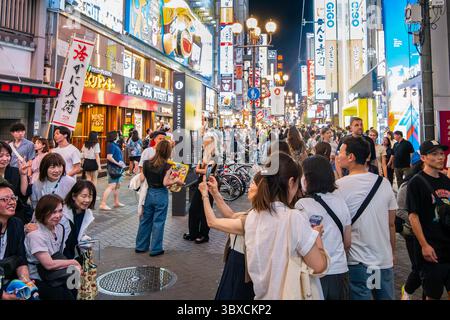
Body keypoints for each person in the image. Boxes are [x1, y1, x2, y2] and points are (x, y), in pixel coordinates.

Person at [200, 153, 329, 299]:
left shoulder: (253, 217)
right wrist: (317, 236)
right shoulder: (294, 218)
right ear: (291, 182)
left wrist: (212, 194)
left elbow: (228, 216)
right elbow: (319, 266)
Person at [336, 137, 397, 300]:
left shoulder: (339, 187)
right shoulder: (384, 184)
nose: (338, 155)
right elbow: (391, 224)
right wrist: (391, 252)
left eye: (341, 151)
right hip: (382, 261)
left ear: (351, 157)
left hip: (357, 263)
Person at [295, 155, 351, 300]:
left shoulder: (302, 205)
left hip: (315, 273)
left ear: (307, 178)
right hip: (340, 270)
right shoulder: (341, 202)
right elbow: (347, 242)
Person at [198, 174, 261, 300]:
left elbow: (212, 222)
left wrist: (205, 195)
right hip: (235, 262)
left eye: (253, 183)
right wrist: (215, 193)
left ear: (263, 189)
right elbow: (231, 215)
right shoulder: (255, 212)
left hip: (240, 268)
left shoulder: (254, 219)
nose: (249, 186)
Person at [407, 140, 450, 300]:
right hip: (430, 251)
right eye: (434, 154)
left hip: (448, 246)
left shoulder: (447, 181)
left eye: (441, 153)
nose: (440, 157)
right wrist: (424, 245)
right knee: (433, 295)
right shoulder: (416, 183)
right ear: (423, 158)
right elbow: (413, 216)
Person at [25, 195, 81, 300]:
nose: (58, 215)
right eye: (53, 212)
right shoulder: (35, 234)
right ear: (42, 212)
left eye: (60, 211)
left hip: (56, 273)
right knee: (65, 296)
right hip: (39, 278)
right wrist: (73, 262)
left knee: (74, 287)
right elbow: (49, 265)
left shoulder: (59, 228)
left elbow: (58, 255)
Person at [135, 140, 183, 256]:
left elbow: (143, 177)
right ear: (168, 152)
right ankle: (156, 249)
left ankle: (141, 246)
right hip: (161, 194)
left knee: (145, 220)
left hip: (149, 193)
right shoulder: (167, 166)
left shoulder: (146, 163)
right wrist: (176, 180)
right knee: (158, 222)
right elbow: (165, 182)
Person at [396, 160, 424, 300]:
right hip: (411, 233)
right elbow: (400, 211)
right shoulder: (406, 187)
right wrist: (417, 221)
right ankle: (407, 291)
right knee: (418, 268)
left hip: (430, 233)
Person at [0, 182, 32, 300]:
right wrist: (4, 296)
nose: (12, 202)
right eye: (5, 199)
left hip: (7, 280)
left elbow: (20, 258)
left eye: (13, 198)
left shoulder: (16, 224)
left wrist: (25, 281)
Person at [183, 135, 217, 244]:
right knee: (193, 209)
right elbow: (198, 170)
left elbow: (206, 171)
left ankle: (204, 235)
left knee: (205, 210)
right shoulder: (204, 155)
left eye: (205, 143)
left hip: (209, 184)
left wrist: (200, 168)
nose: (203, 144)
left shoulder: (215, 156)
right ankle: (193, 233)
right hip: (200, 183)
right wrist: (201, 168)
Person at [62, 181, 96, 260]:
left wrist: (85, 241)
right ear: (74, 196)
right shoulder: (61, 212)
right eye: (84, 196)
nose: (87, 200)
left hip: (74, 255)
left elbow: (80, 234)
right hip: (59, 256)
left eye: (90, 196)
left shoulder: (87, 214)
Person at [0, 141, 31, 223]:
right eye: (1, 156)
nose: (5, 159)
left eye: (7, 155)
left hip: (15, 213)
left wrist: (23, 175)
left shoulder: (15, 171)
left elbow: (24, 193)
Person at [99, 131, 126, 211]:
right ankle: (103, 204)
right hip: (114, 168)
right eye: (117, 135)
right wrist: (118, 163)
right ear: (114, 136)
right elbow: (109, 157)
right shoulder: (111, 145)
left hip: (118, 168)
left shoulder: (115, 144)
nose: (118, 136)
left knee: (117, 186)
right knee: (111, 186)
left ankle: (116, 202)